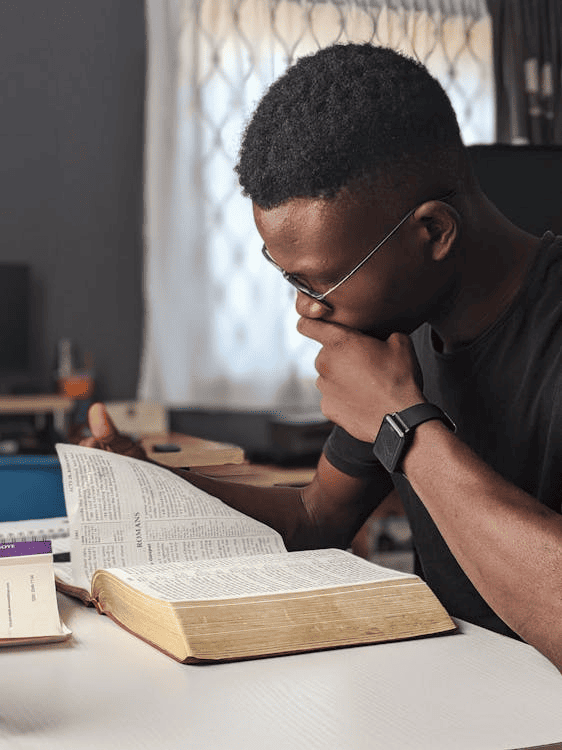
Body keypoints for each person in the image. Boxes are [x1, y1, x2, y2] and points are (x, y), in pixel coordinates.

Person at [82, 44, 562, 671]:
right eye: (290, 281)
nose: (307, 312)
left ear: (434, 233)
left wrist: (406, 427)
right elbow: (315, 520)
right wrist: (152, 485)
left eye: (319, 282)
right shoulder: (399, 330)